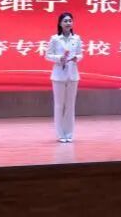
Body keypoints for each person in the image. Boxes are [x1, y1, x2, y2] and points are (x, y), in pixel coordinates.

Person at [45, 12, 83, 143]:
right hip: (58, 76)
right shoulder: (55, 39)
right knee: (59, 105)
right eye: (65, 21)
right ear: (60, 23)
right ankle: (60, 134)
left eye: (70, 21)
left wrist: (76, 58)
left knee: (70, 105)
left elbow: (80, 54)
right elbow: (48, 55)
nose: (68, 23)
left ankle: (69, 133)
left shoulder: (76, 38)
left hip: (73, 75)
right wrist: (59, 58)